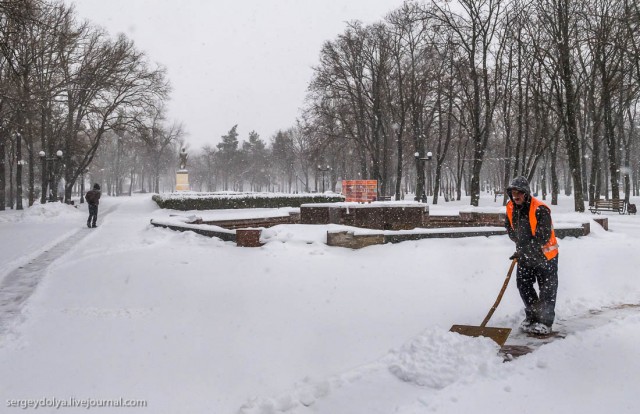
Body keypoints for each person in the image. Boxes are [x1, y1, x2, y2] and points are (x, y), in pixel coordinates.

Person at [505, 176, 559, 335]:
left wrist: (525, 249)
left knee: (547, 290)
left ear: (526, 193)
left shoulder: (540, 209)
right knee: (524, 286)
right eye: (514, 192)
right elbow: (510, 229)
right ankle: (533, 316)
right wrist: (520, 245)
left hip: (545, 256)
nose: (516, 196)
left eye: (520, 192)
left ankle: (545, 322)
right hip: (524, 256)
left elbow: (543, 237)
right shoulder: (510, 207)